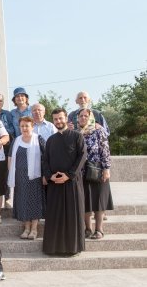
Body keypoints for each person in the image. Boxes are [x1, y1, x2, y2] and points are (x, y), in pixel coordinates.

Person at [42, 108, 87, 256]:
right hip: (55, 184)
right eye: (55, 119)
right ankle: (53, 248)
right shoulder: (50, 140)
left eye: (61, 118)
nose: (58, 121)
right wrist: (50, 176)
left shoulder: (76, 137)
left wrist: (69, 175)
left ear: (66, 118)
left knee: (72, 216)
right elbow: (45, 160)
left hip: (72, 183)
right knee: (55, 216)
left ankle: (72, 248)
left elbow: (82, 157)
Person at [77, 109, 113, 240]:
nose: (83, 118)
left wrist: (106, 168)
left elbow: (105, 150)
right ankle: (87, 228)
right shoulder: (76, 133)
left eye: (86, 116)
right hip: (81, 172)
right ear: (77, 118)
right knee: (85, 201)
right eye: (81, 116)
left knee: (99, 201)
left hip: (98, 170)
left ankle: (99, 229)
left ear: (91, 117)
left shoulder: (99, 130)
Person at [8, 117, 45, 240]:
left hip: (35, 177)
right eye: (22, 126)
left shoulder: (38, 139)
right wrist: (11, 173)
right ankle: (26, 228)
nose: (24, 128)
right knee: (23, 201)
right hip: (20, 177)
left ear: (32, 126)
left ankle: (34, 229)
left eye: (27, 126)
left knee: (34, 202)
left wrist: (45, 175)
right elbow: (10, 157)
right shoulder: (16, 140)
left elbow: (46, 157)